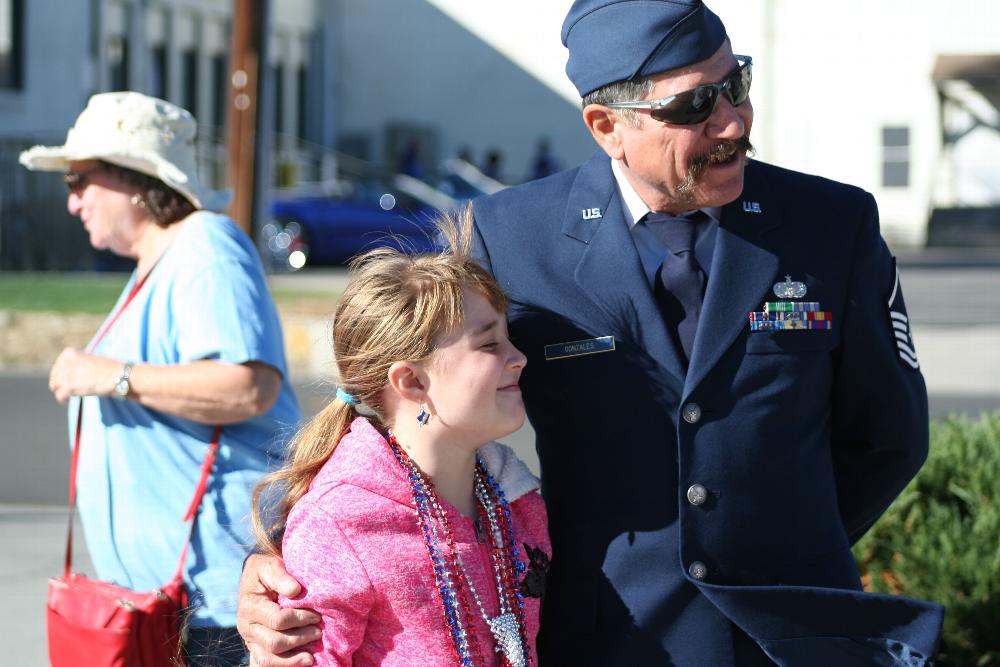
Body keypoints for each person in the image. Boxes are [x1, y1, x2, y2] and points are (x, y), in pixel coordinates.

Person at [237, 1, 945, 665]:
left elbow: (888, 437)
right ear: (607, 126)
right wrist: (274, 565)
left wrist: (781, 543)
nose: (732, 122)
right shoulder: (512, 237)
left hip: (796, 634)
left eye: (737, 84)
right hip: (613, 635)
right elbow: (391, 410)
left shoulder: (830, 224)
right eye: (695, 105)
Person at [20, 91, 301, 667]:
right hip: (176, 598)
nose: (72, 201)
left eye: (79, 181)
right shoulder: (167, 260)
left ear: (134, 178)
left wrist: (109, 375)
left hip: (215, 600)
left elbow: (249, 386)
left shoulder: (205, 247)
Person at [248, 208, 550, 666]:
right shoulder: (343, 522)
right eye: (490, 345)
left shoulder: (516, 501)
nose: (519, 358)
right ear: (410, 382)